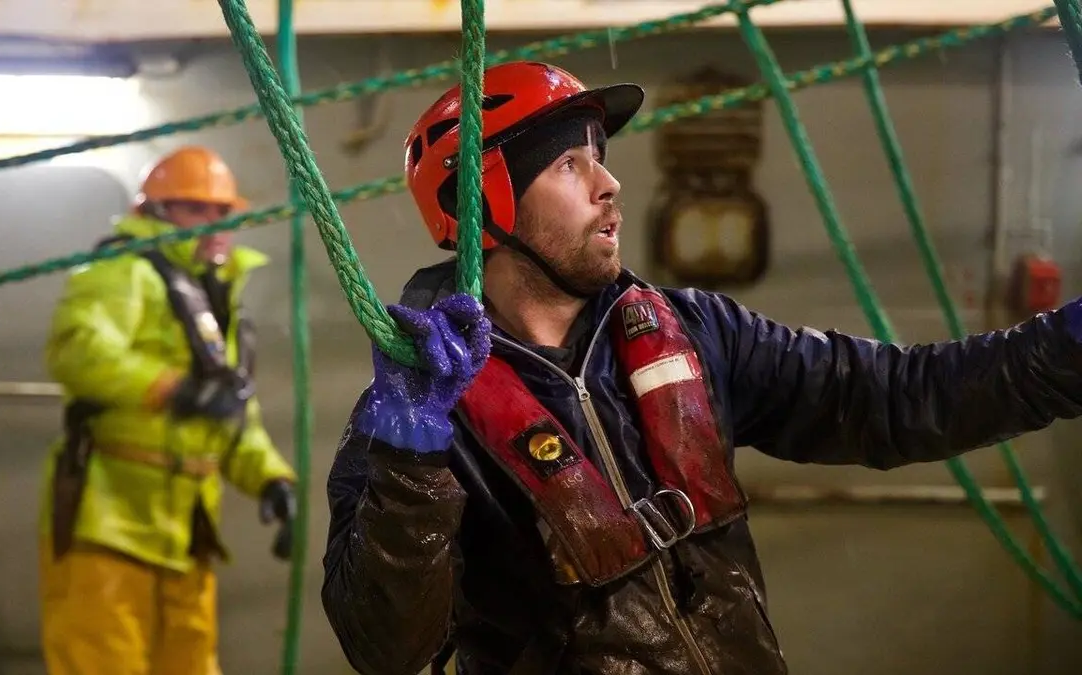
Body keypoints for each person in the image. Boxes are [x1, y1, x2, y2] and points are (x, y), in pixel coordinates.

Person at [320, 61, 1082, 674]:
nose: (608, 183)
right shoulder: (413, 418)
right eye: (568, 165)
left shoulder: (695, 332)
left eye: (602, 159)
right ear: (484, 202)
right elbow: (385, 647)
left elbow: (896, 397)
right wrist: (409, 469)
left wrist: (1068, 349)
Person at [38, 146, 297, 675]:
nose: (217, 222)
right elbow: (79, 350)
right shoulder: (123, 272)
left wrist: (270, 479)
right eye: (196, 209)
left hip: (186, 531)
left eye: (223, 211)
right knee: (102, 662)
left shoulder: (213, 297)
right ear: (155, 213)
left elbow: (228, 410)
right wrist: (171, 389)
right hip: (110, 520)